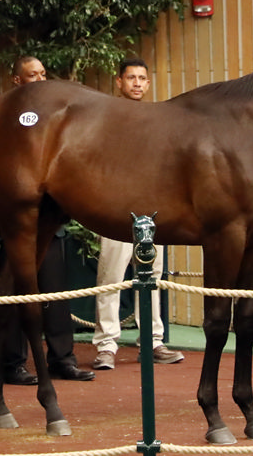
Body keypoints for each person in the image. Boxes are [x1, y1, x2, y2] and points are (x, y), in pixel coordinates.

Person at [0, 56, 95, 383]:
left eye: (43, 74)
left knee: (55, 292)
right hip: (19, 220)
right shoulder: (6, 115)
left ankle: (62, 359)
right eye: (32, 75)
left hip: (52, 221)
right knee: (17, 288)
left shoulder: (54, 115)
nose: (40, 80)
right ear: (17, 81)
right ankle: (13, 363)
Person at [92, 58, 184, 370]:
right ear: (119, 82)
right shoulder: (106, 116)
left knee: (153, 277)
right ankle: (106, 346)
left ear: (148, 83)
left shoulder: (158, 117)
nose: (137, 83)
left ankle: (153, 342)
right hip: (115, 211)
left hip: (150, 213)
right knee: (111, 278)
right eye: (131, 77)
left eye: (142, 78)